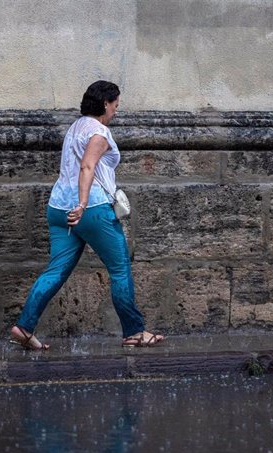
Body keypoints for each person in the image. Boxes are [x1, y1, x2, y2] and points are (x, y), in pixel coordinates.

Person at [10, 80, 165, 350]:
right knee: (119, 270)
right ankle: (135, 332)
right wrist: (82, 204)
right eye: (116, 104)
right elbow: (87, 167)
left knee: (56, 270)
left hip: (58, 209)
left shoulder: (75, 127)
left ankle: (24, 327)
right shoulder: (99, 133)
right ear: (106, 103)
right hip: (91, 210)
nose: (117, 110)